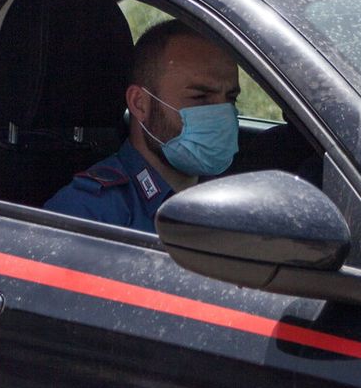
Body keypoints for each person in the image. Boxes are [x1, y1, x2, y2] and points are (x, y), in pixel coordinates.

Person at [45, 19, 240, 230]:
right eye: (200, 97)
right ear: (140, 104)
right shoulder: (89, 212)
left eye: (231, 99)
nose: (222, 113)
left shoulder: (234, 198)